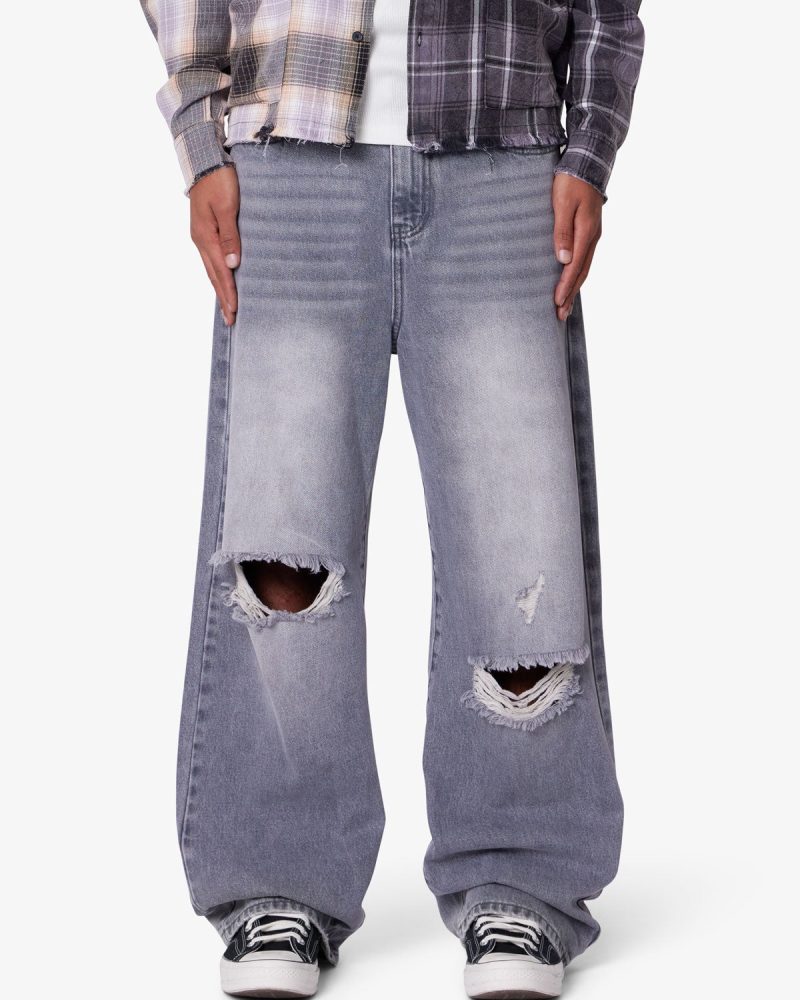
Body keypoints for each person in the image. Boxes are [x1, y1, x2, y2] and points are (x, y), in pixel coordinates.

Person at [140, 2, 644, 997]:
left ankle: (522, 878)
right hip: (289, 150)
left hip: (505, 151)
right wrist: (201, 137)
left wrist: (589, 144)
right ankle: (276, 879)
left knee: (521, 549)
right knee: (280, 554)